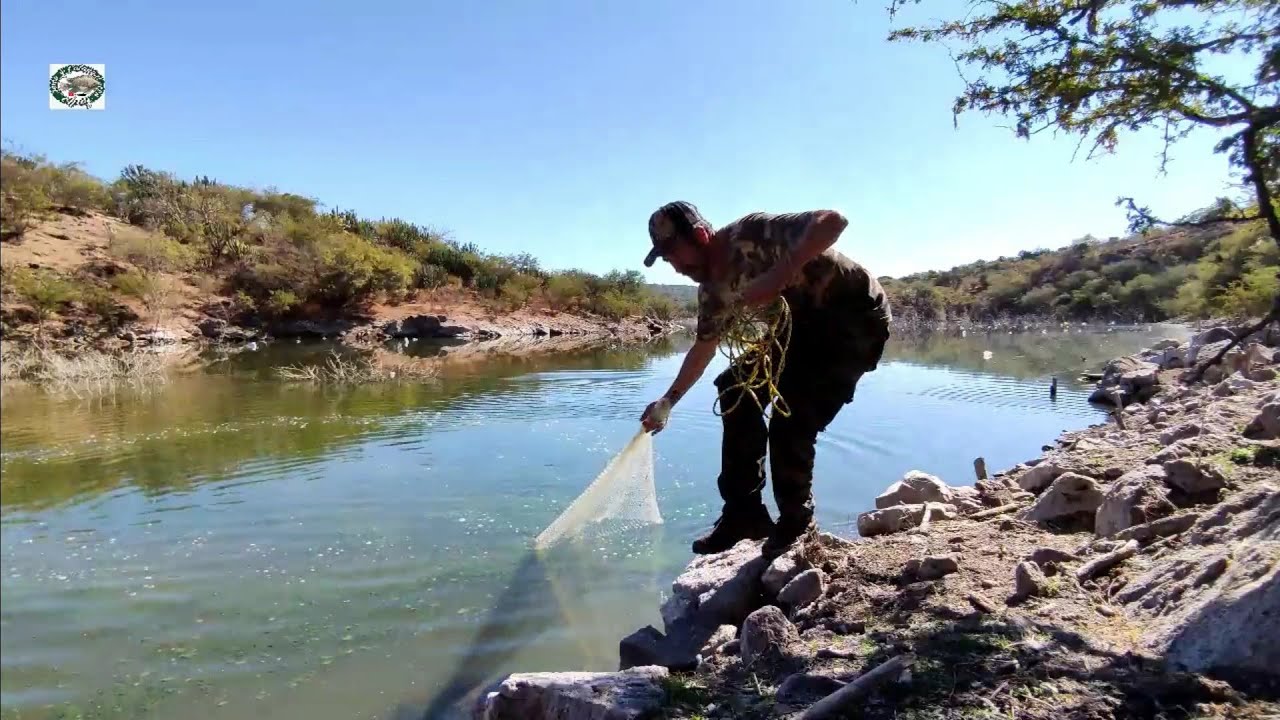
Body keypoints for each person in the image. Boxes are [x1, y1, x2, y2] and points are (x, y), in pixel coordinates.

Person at [639, 201, 891, 557]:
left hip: (853, 319)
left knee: (792, 413)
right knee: (735, 389)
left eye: (674, 253)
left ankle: (796, 525)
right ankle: (744, 513)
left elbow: (833, 221)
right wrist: (668, 401)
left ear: (699, 234)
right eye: (667, 260)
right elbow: (703, 348)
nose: (676, 266)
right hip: (797, 330)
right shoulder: (712, 291)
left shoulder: (751, 233)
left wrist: (780, 273)